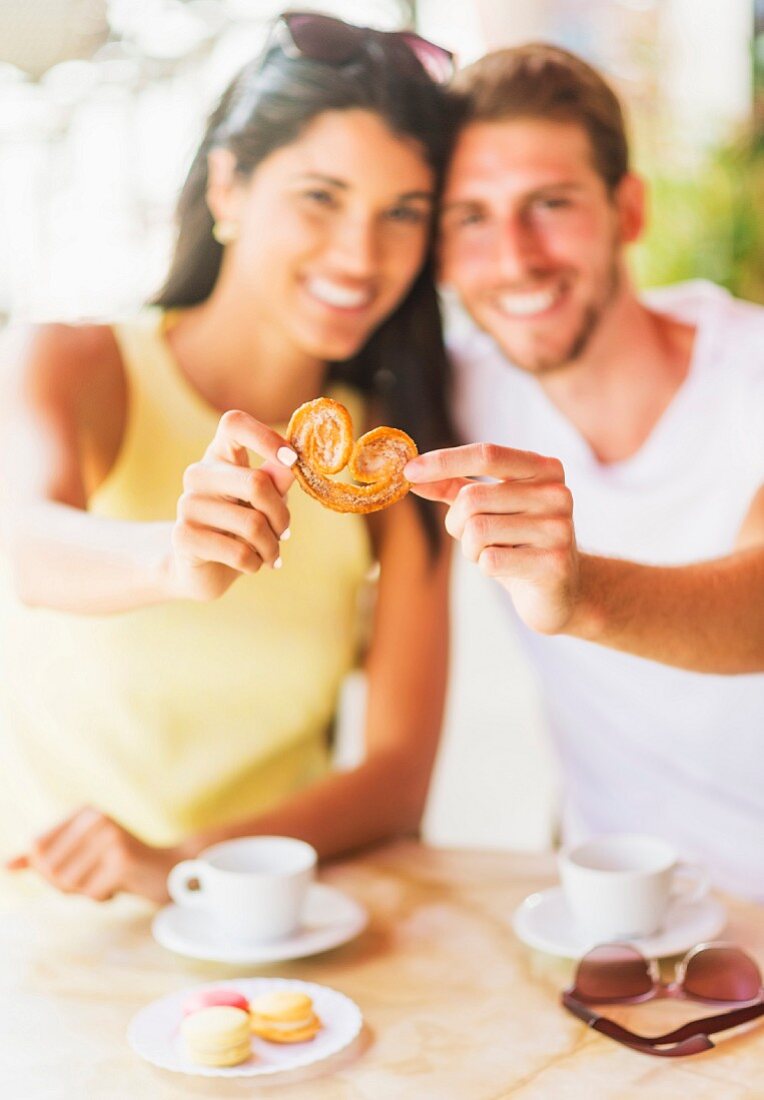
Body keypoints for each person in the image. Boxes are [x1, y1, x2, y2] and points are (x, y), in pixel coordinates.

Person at [0, 12, 456, 903]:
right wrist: (169, 559)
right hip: (51, 929)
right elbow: (19, 539)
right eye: (320, 196)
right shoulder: (74, 361)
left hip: (270, 924)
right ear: (228, 188)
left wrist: (189, 866)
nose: (362, 257)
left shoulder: (396, 457)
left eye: (402, 213)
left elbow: (399, 778)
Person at [405, 44, 764, 897]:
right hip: (609, 907)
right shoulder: (458, 390)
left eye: (550, 203)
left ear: (626, 210)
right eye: (471, 218)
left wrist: (580, 593)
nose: (516, 258)